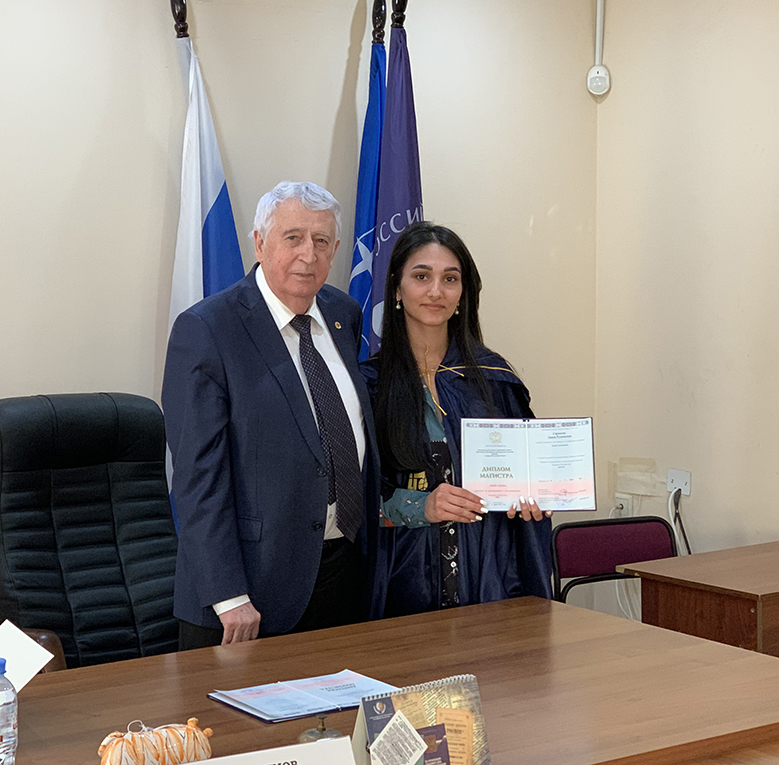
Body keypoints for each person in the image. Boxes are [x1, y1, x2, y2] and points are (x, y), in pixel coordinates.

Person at [162, 181, 379, 647]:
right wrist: (228, 595)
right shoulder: (207, 329)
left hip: (342, 573)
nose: (308, 254)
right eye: (293, 237)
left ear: (336, 248)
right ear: (260, 243)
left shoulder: (343, 313)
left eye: (321, 241)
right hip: (249, 593)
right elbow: (198, 478)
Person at [362, 221, 552, 617]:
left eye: (450, 278)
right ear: (396, 287)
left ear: (464, 292)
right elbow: (354, 500)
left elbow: (529, 477)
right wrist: (420, 506)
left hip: (492, 584)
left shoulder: (495, 381)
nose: (436, 291)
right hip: (403, 585)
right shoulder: (369, 386)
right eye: (421, 276)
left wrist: (538, 497)